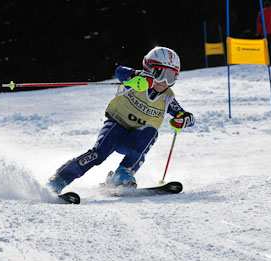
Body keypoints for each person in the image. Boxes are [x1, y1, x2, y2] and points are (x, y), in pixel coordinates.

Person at [47, 46, 195, 194]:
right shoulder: (136, 80)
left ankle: (122, 174)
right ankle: (59, 180)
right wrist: (135, 77)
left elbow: (181, 114)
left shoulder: (167, 96)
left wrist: (185, 119)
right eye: (160, 74)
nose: (164, 81)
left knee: (151, 132)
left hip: (135, 138)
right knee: (98, 155)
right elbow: (120, 71)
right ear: (149, 69)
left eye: (170, 77)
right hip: (116, 127)